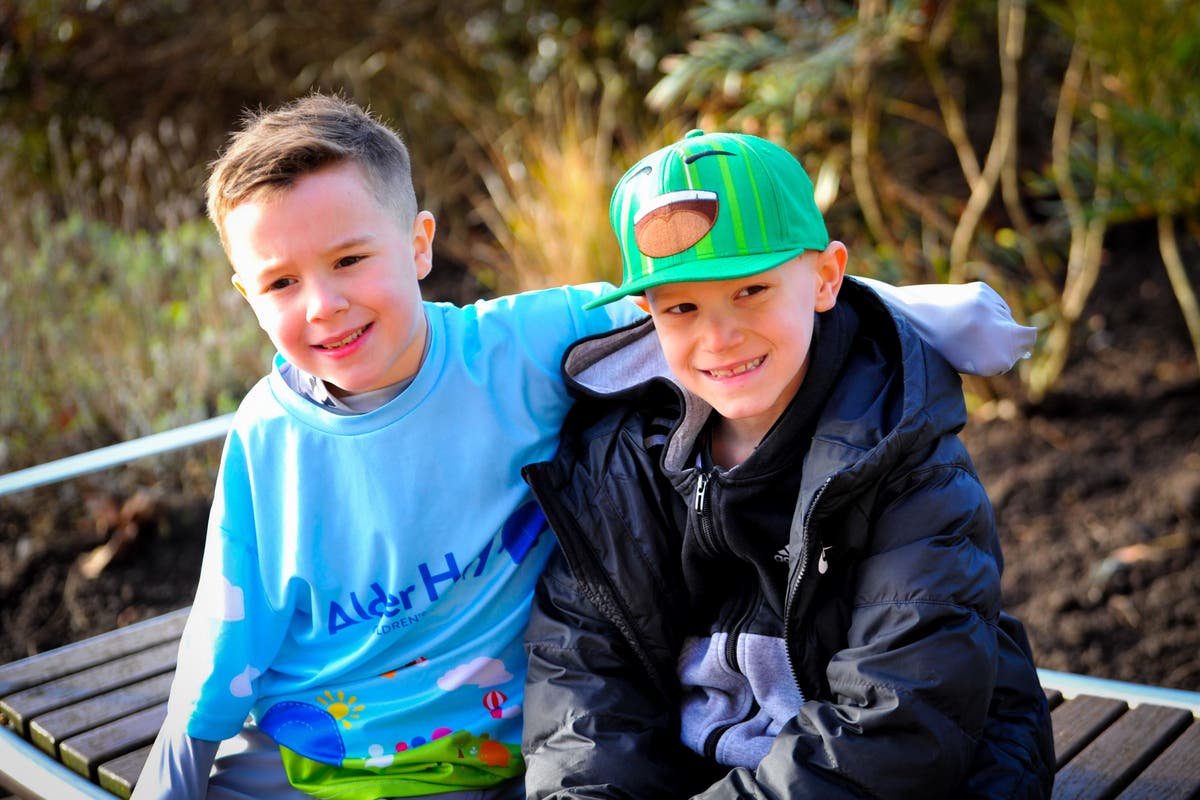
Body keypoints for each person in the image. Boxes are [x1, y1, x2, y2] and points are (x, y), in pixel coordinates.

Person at [132, 95, 1035, 800]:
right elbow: (222, 649)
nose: (322, 304)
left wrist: (917, 309)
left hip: (539, 759)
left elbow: (712, 289)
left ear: (418, 245)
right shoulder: (273, 441)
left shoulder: (522, 348)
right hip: (325, 758)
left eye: (348, 260)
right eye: (281, 281)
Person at [520, 130, 1055, 798]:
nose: (720, 337)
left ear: (826, 277)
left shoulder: (907, 461)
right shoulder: (616, 463)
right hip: (706, 770)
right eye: (682, 307)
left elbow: (900, 721)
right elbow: (582, 681)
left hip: (922, 770)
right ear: (646, 314)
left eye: (750, 291)